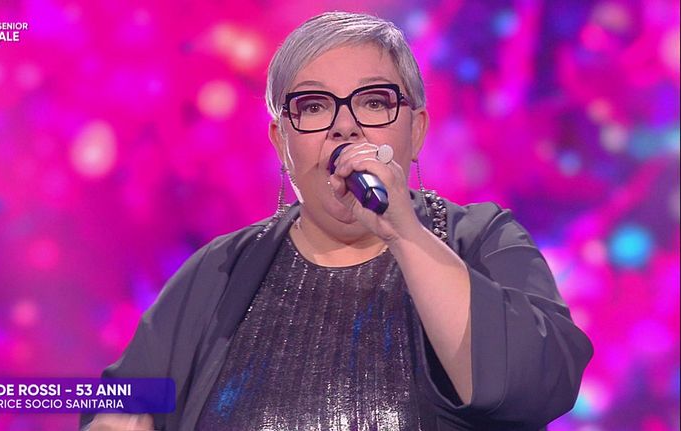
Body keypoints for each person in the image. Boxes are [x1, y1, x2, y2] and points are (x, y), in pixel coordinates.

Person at [81, 11, 593, 431]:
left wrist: (404, 232)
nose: (345, 126)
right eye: (313, 106)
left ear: (416, 130)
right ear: (281, 142)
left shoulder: (481, 240)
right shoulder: (219, 270)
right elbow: (121, 401)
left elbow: (538, 385)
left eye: (373, 102)